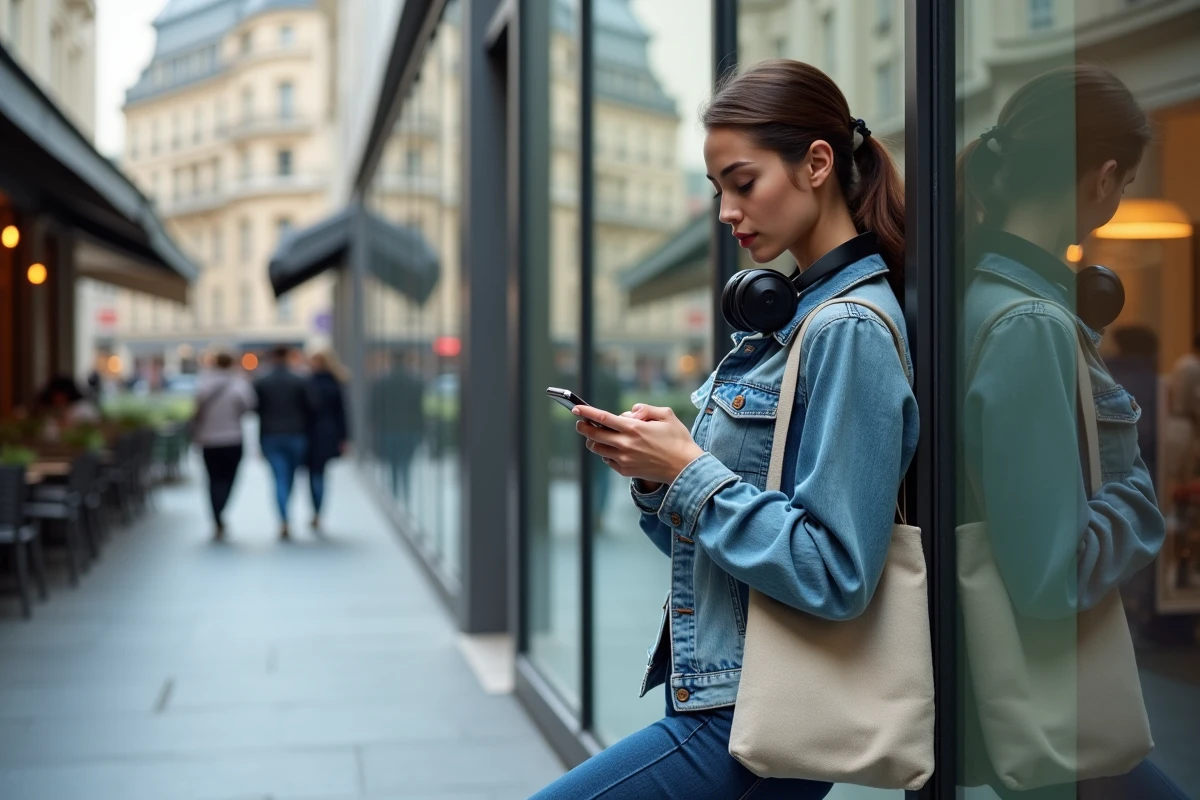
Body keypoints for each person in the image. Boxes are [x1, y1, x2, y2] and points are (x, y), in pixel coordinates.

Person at [533, 59, 916, 799]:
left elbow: (835, 572)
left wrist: (690, 474)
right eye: (718, 191)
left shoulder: (847, 330)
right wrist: (656, 476)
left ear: (816, 163)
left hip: (752, 716)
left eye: (744, 183)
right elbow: (708, 548)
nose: (726, 212)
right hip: (725, 695)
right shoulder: (793, 321)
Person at [958, 65, 1187, 798]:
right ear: (1107, 177)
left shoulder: (980, 292)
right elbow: (1050, 577)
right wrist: (1138, 502)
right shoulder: (1028, 323)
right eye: (1123, 186)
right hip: (1040, 708)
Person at [254, 345, 317, 540]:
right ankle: (285, 515)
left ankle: (283, 518)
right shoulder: (299, 380)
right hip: (296, 434)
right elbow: (313, 407)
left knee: (279, 477)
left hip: (271, 435)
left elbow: (256, 409)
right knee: (289, 477)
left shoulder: (262, 381)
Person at [192, 352, 256, 540]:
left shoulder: (203, 383)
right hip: (232, 438)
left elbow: (196, 409)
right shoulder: (239, 383)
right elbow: (250, 406)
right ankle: (221, 511)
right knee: (229, 478)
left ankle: (216, 516)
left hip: (208, 439)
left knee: (212, 479)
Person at [306, 349, 350, 530]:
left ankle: (316, 510)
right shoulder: (336, 383)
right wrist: (344, 437)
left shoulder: (308, 383)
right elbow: (342, 414)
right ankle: (318, 511)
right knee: (320, 472)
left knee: (313, 473)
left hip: (310, 433)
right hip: (328, 433)